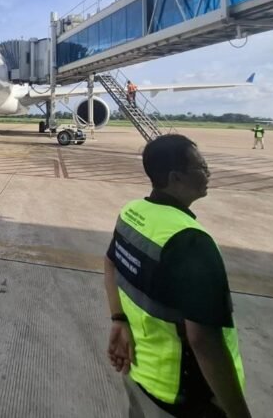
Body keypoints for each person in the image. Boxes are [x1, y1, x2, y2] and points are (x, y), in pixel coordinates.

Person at [103, 134, 250, 418]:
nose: (208, 172)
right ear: (176, 177)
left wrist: (118, 319)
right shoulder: (191, 241)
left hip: (140, 373)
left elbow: (110, 265)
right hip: (188, 395)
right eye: (201, 167)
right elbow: (203, 340)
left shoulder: (132, 213)